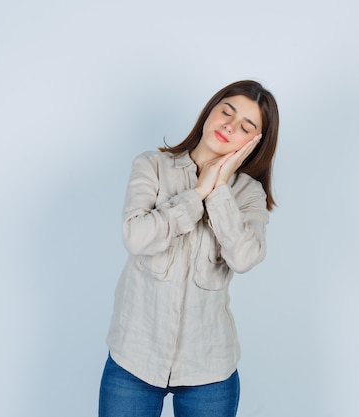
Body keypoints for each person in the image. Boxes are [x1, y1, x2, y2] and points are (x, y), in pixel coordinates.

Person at [98, 80, 279, 417]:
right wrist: (197, 193)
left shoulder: (249, 195)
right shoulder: (152, 165)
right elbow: (136, 237)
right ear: (210, 110)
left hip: (209, 370)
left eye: (246, 126)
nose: (229, 125)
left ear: (254, 143)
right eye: (227, 111)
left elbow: (243, 257)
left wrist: (220, 189)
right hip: (133, 359)